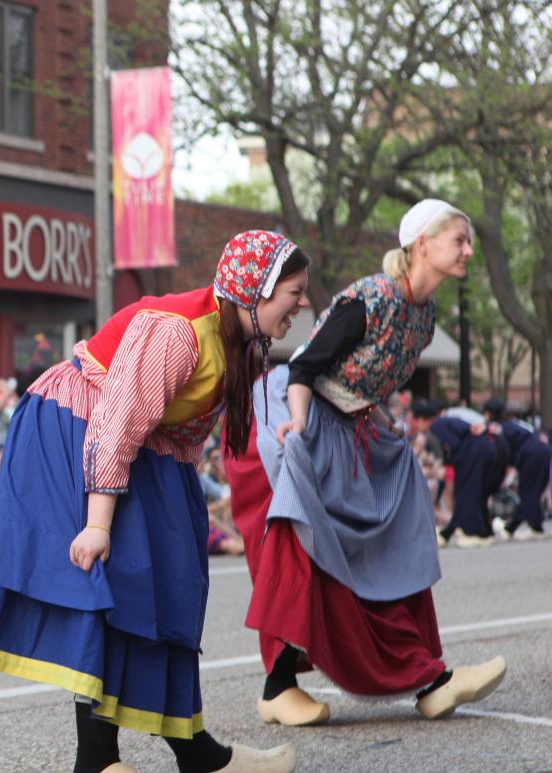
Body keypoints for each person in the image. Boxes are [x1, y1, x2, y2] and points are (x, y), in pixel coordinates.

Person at [0, 230, 307, 773]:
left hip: (154, 448)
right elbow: (117, 420)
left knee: (178, 579)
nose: (301, 304)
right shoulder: (179, 333)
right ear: (254, 291)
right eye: (294, 293)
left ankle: (196, 755)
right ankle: (93, 764)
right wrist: (98, 524)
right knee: (114, 578)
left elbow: (179, 429)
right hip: (78, 426)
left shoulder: (240, 341)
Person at [225, 199, 506, 729]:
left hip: (347, 426)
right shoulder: (369, 299)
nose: (469, 250)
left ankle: (428, 675)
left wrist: (379, 424)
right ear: (423, 244)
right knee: (306, 547)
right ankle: (278, 685)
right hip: (288, 418)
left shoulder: (424, 314)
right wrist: (300, 429)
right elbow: (305, 365)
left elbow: (363, 385)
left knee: (389, 534)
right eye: (459, 240)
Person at [427, 408, 507, 548]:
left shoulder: (443, 421)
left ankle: (474, 532)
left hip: (473, 452)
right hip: (487, 450)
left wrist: (458, 449)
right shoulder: (463, 420)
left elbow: (436, 428)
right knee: (476, 494)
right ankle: (480, 532)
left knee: (467, 493)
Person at [484, 398, 550, 540]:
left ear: (489, 414)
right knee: (534, 490)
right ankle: (536, 526)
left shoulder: (499, 428)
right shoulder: (514, 423)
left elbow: (502, 453)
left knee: (527, 491)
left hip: (531, 454)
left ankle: (511, 527)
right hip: (543, 450)